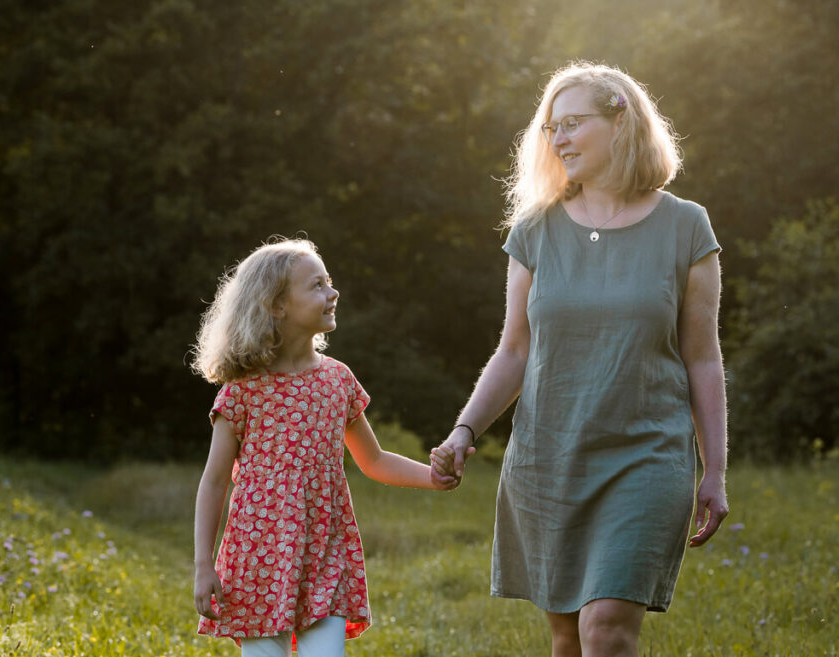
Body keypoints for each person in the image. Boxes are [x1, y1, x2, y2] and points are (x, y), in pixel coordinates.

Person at [430, 61, 729, 657]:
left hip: (646, 455)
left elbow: (703, 359)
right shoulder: (535, 230)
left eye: (572, 123)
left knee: (606, 630)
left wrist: (714, 469)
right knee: (567, 637)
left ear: (620, 121)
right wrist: (466, 430)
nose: (558, 138)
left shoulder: (686, 227)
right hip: (548, 459)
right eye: (550, 127)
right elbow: (514, 350)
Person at [191, 238, 457, 657]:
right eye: (317, 285)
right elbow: (215, 480)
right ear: (277, 306)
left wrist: (434, 478)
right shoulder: (243, 390)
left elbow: (374, 460)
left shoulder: (338, 380)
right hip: (259, 556)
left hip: (326, 553)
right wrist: (204, 565)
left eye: (328, 282)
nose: (333, 293)